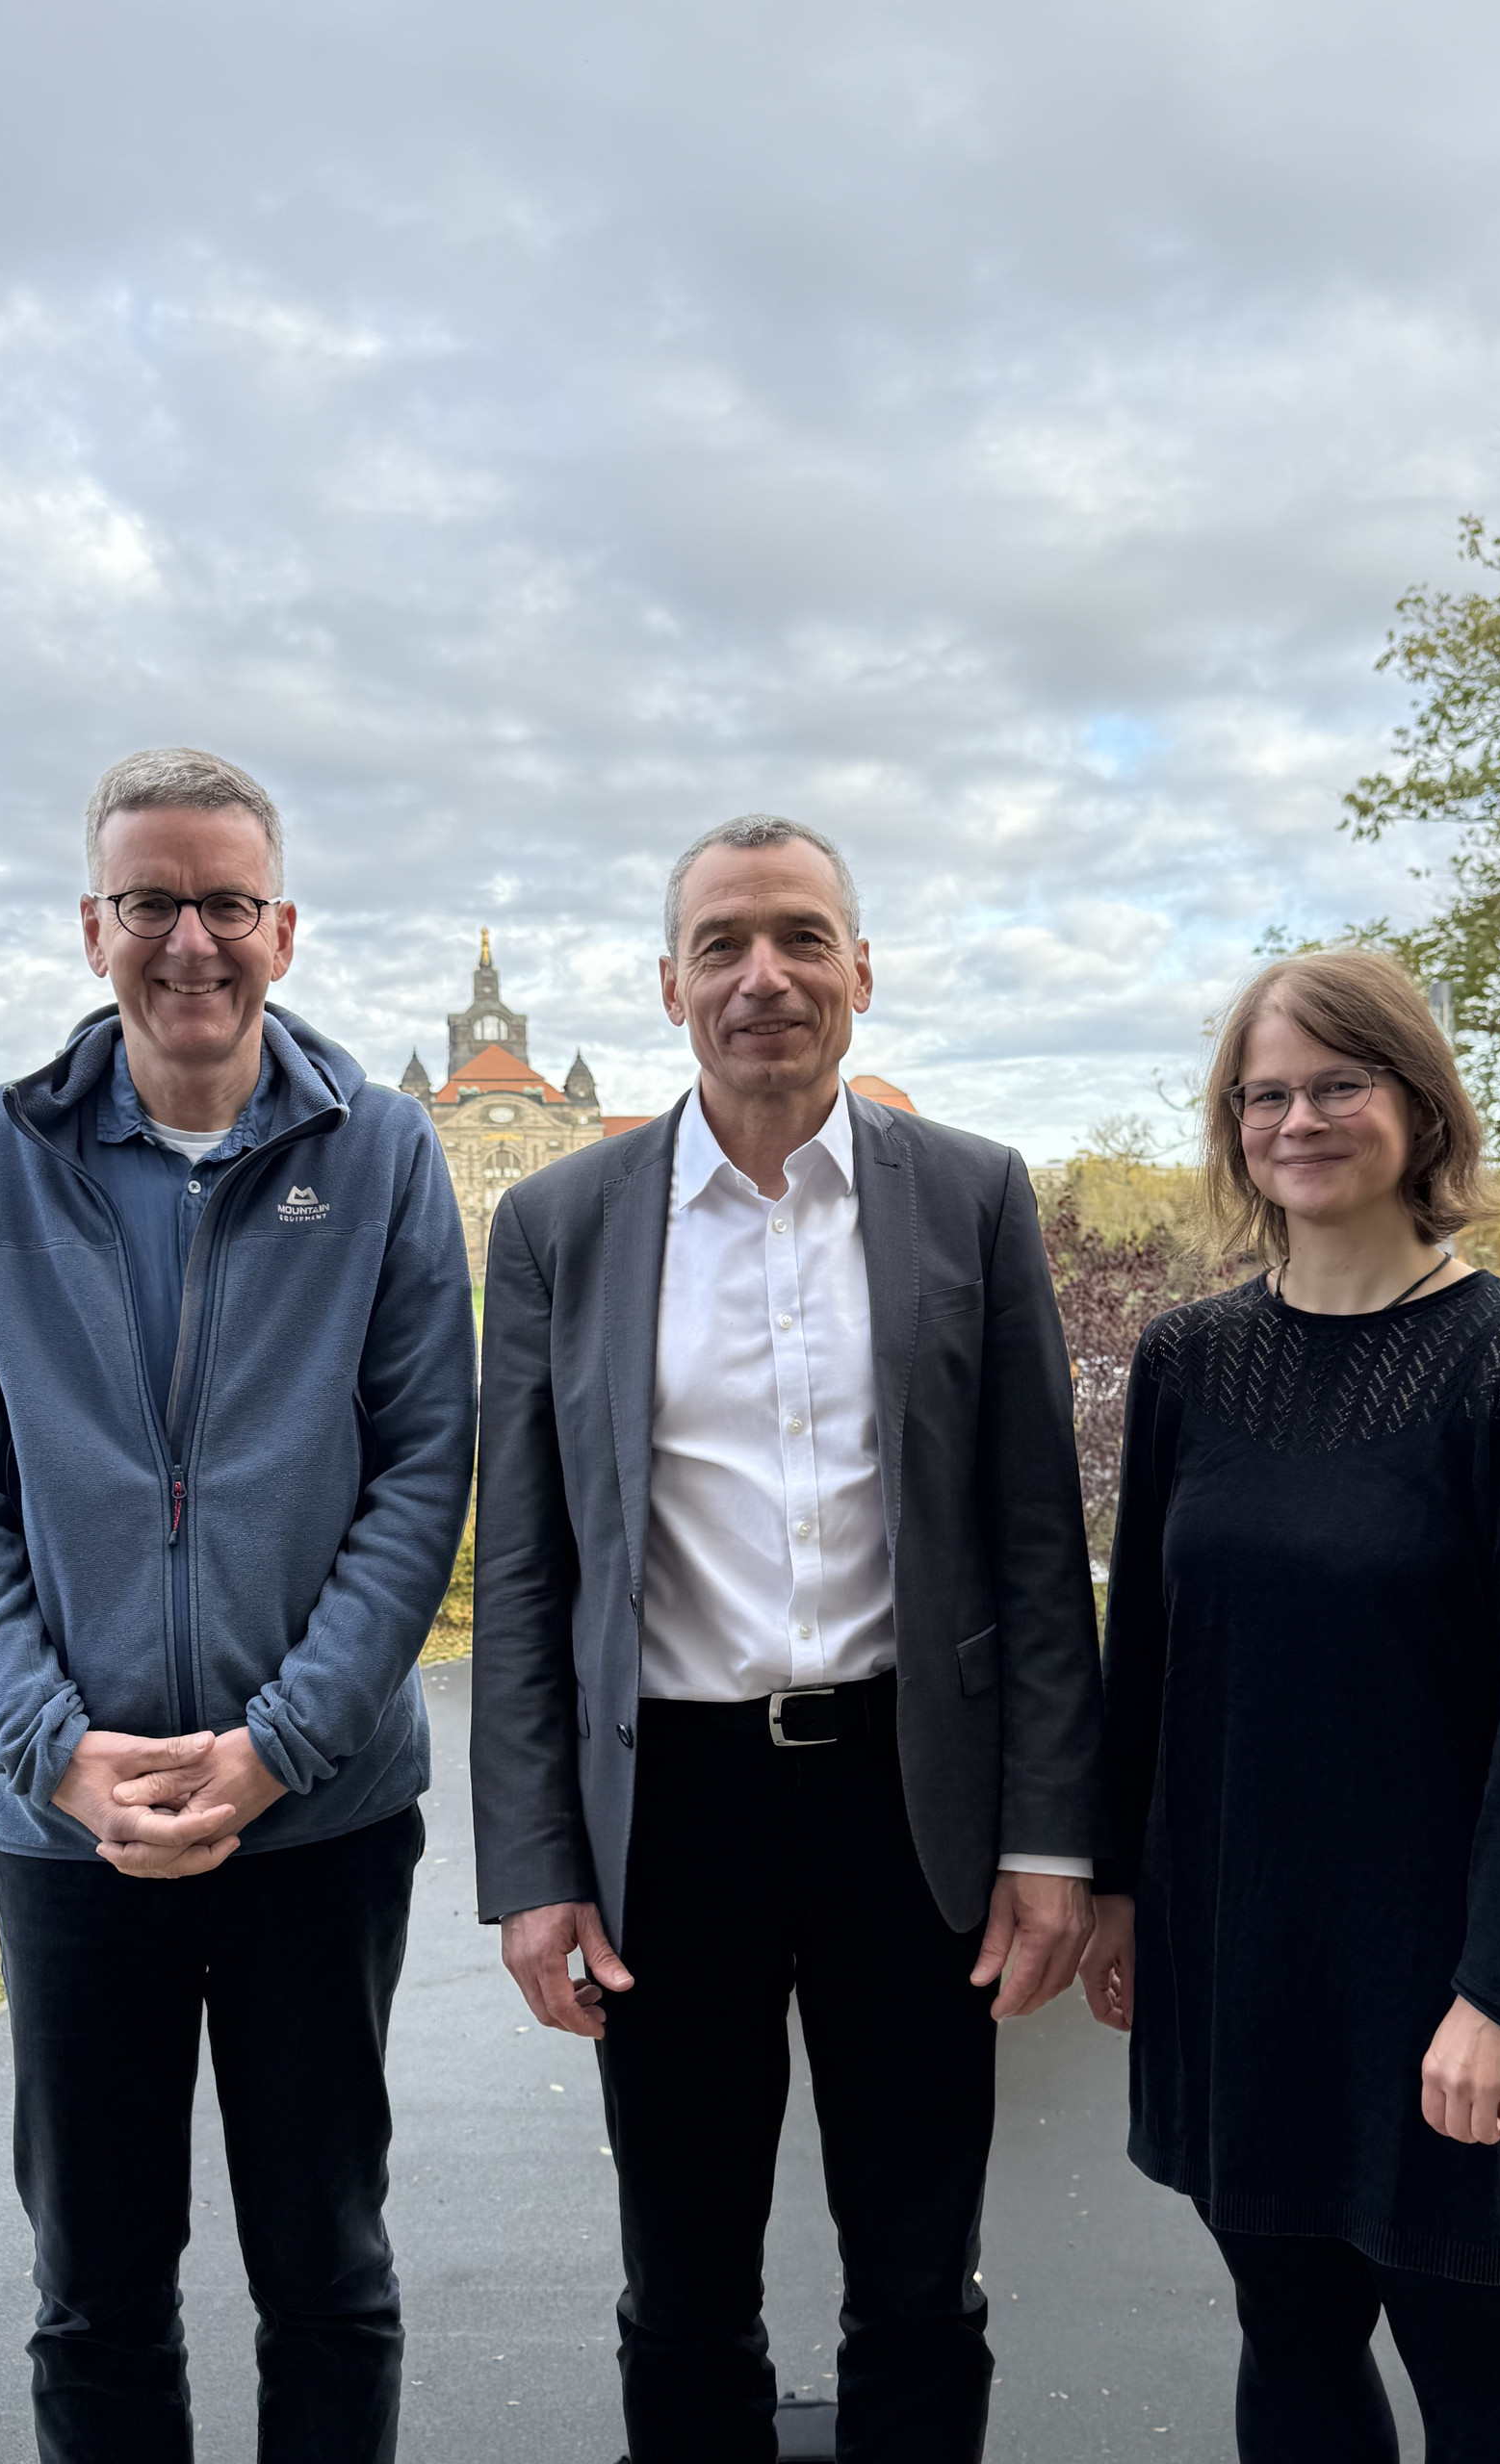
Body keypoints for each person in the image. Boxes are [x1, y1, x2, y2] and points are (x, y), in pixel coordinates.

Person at [469, 813, 1106, 2464]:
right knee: (681, 2286)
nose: (766, 976)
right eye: (728, 943)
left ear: (862, 972)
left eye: (804, 938)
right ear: (669, 982)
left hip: (914, 1802)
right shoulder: (562, 1223)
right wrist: (534, 1865)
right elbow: (531, 1571)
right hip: (668, 1817)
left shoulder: (968, 1194)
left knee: (916, 2278)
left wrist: (1051, 1837)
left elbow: (1039, 1542)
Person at [0, 747, 475, 2464]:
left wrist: (280, 1746)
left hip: (317, 1822)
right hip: (71, 1829)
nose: (192, 941)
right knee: (97, 2293)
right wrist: (51, 1747)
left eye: (228, 903)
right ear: (96, 927)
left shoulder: (380, 1151)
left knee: (329, 2272)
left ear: (283, 930)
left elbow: (418, 1473)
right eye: (154, 902)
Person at [1078, 948, 1500, 2464]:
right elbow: (1151, 1652)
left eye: (1340, 1083)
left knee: (1477, 2375)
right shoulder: (1190, 1359)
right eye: (1268, 1092)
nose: (1299, 1119)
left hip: (1444, 1979)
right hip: (1240, 1958)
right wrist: (1117, 1886)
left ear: (1420, 1106)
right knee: (1292, 2345)